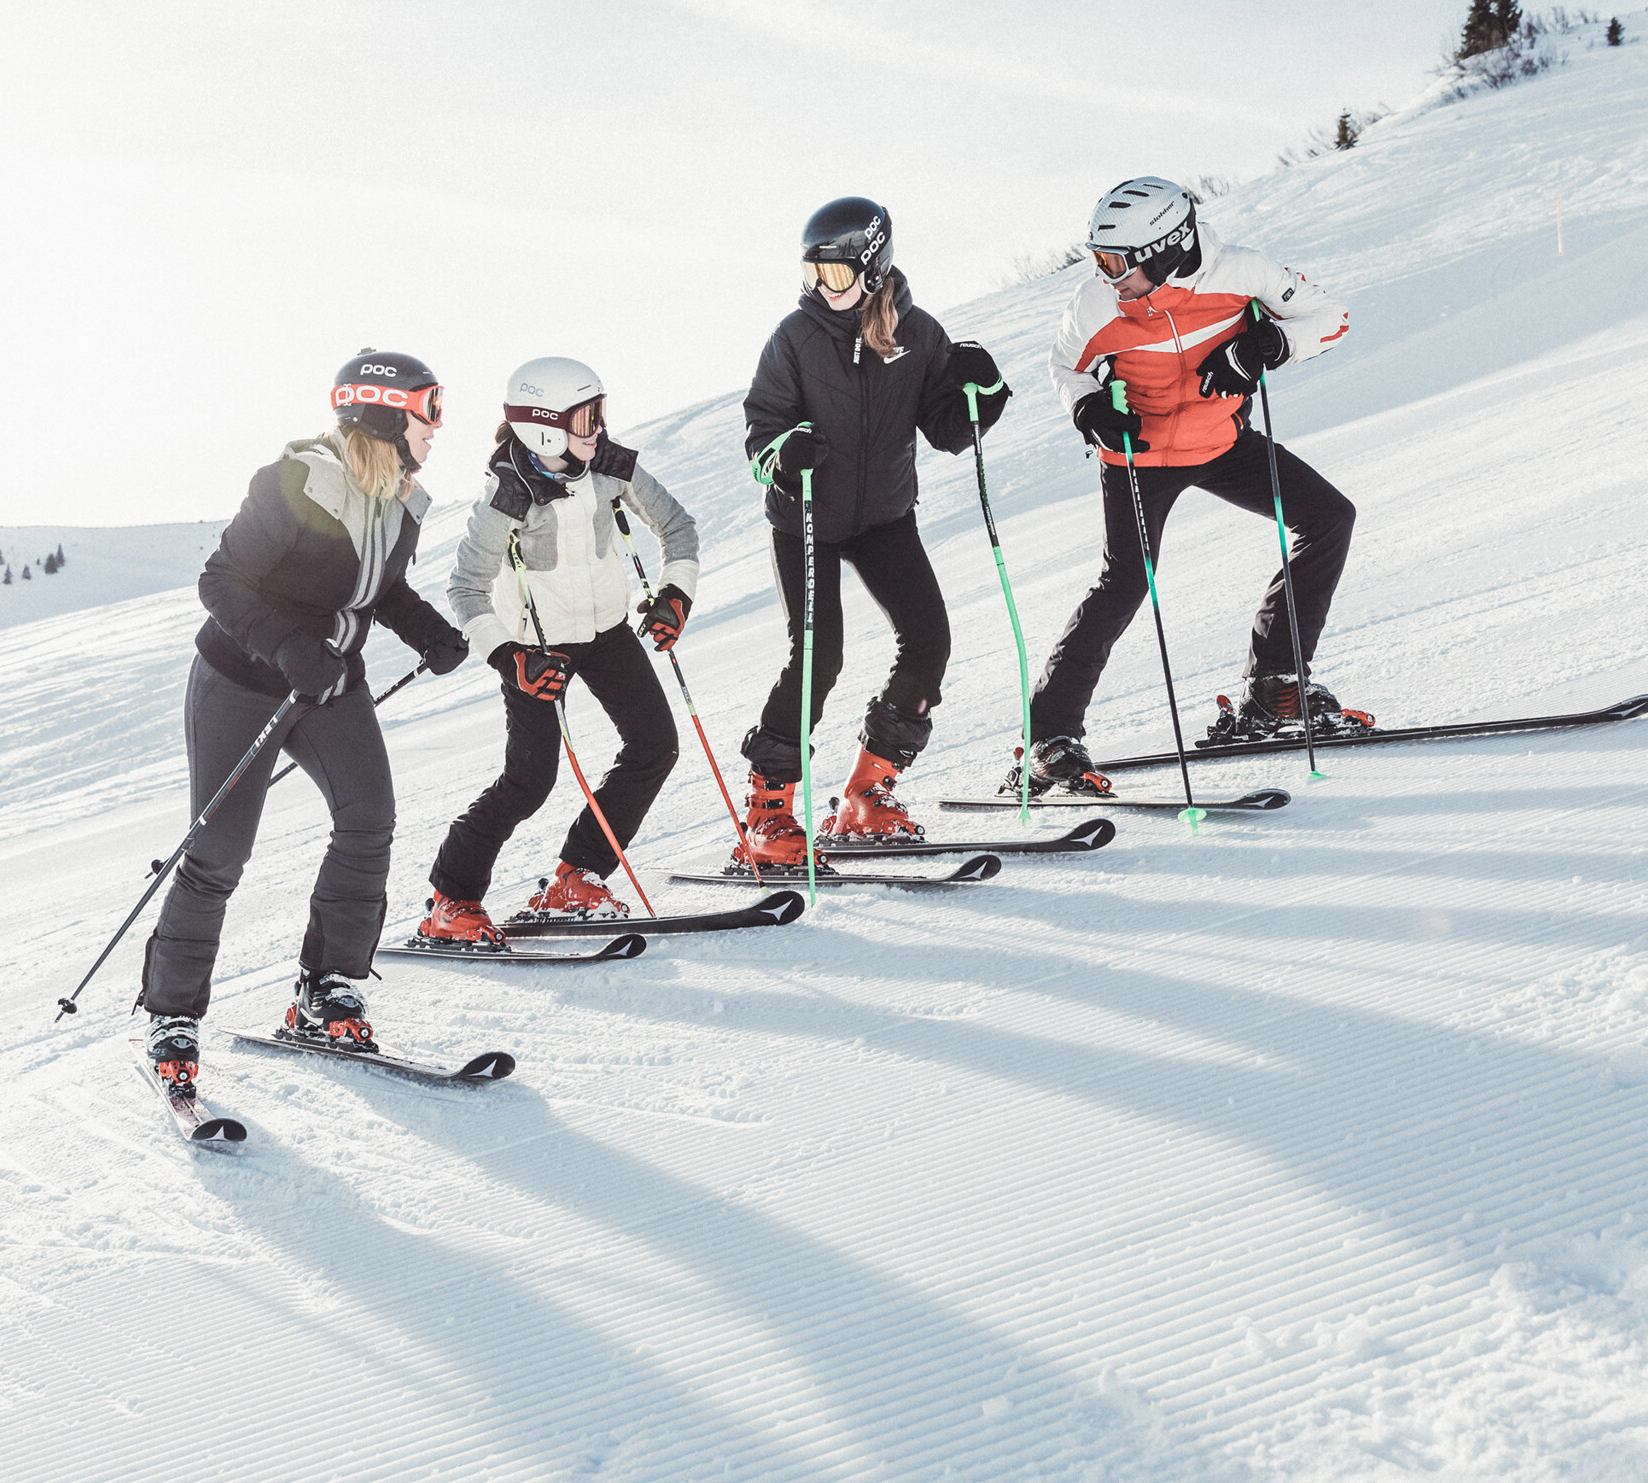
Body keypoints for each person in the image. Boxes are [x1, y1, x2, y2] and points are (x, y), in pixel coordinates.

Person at [139, 352, 470, 1087]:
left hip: (329, 683)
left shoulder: (398, 500)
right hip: (241, 681)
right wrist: (288, 647)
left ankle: (326, 986)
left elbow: (377, 588)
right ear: (384, 414)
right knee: (218, 851)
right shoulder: (296, 482)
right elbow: (220, 580)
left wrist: (428, 632)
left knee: (369, 817)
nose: (437, 426)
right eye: (429, 409)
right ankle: (171, 1014)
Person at [1011, 176, 1362, 799]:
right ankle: (1050, 740)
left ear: (1165, 250)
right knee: (1125, 582)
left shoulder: (1243, 273)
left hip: (1223, 445)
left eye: (1116, 262)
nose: (1106, 276)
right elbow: (1066, 366)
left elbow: (1330, 318)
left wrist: (1270, 344)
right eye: (1098, 260)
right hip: (1138, 458)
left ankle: (1276, 685)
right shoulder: (1096, 305)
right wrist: (1088, 409)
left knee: (1329, 517)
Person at [737, 196, 1009, 861]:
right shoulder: (794, 338)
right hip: (805, 516)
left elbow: (948, 430)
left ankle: (868, 792)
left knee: (929, 640)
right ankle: (768, 812)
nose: (819, 287)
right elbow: (761, 432)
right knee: (818, 655)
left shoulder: (919, 335)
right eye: (811, 273)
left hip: (883, 515)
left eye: (832, 273)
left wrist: (984, 392)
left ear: (872, 266)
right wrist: (784, 454)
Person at [422, 357, 701, 937]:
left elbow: (678, 526)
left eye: (600, 412)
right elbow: (466, 588)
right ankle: (452, 899)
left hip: (607, 632)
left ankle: (577, 876)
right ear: (545, 427)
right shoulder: (506, 494)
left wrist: (675, 594)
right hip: (536, 649)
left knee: (655, 747)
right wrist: (510, 659)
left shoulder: (612, 466)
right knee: (529, 781)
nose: (598, 428)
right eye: (584, 417)